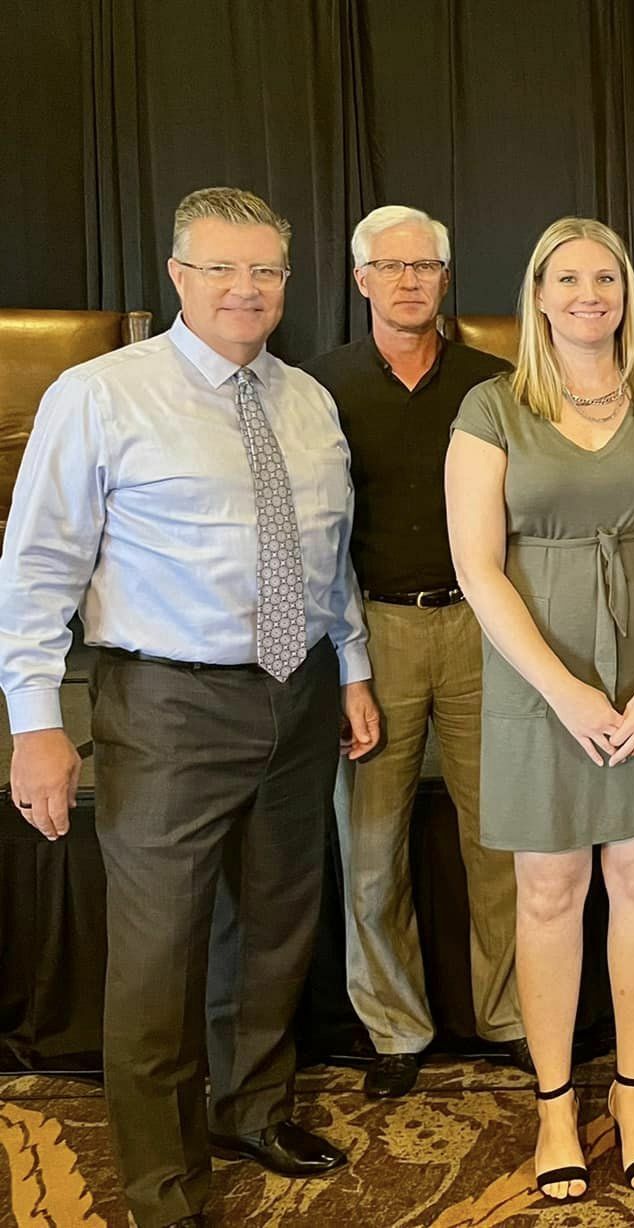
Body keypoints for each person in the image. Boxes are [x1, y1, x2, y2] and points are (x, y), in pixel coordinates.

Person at [1, 186, 377, 1228]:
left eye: (264, 270)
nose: (244, 288)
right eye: (220, 268)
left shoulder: (306, 400)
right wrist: (35, 722)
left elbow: (326, 555)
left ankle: (250, 1108)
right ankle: (163, 1185)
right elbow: (35, 566)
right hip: (167, 704)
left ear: (286, 282)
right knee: (160, 954)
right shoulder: (100, 395)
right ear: (178, 275)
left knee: (274, 928)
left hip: (298, 693)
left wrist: (350, 666)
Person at [445, 217, 634, 1201]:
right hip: (539, 684)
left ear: (626, 293)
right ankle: (556, 1103)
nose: (588, 295)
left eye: (605, 278)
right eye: (567, 279)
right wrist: (563, 691)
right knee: (549, 889)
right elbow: (476, 567)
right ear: (537, 295)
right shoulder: (491, 407)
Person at [302, 205, 525, 1099]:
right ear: (361, 279)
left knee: (501, 838)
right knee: (370, 848)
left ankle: (513, 1014)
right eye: (390, 266)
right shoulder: (317, 387)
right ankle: (394, 1029)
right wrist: (341, 659)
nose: (408, 280)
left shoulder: (494, 383)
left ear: (445, 277)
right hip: (371, 634)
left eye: (424, 265)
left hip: (483, 626)